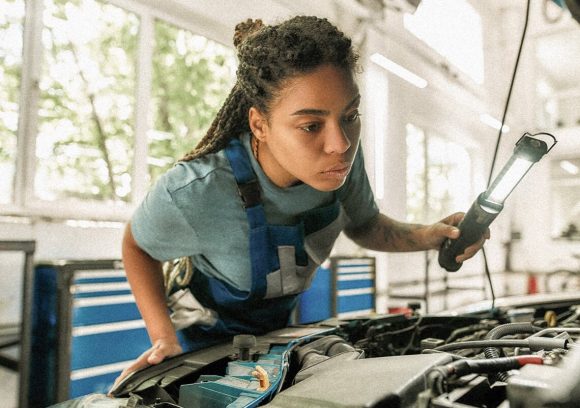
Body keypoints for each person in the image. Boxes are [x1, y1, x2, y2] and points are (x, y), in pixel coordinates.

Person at [115, 16, 488, 388]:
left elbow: (365, 225)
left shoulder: (340, 166)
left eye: (350, 116)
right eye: (311, 126)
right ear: (260, 125)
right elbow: (138, 245)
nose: (340, 144)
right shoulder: (198, 189)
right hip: (199, 352)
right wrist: (162, 335)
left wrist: (430, 235)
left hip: (278, 341)